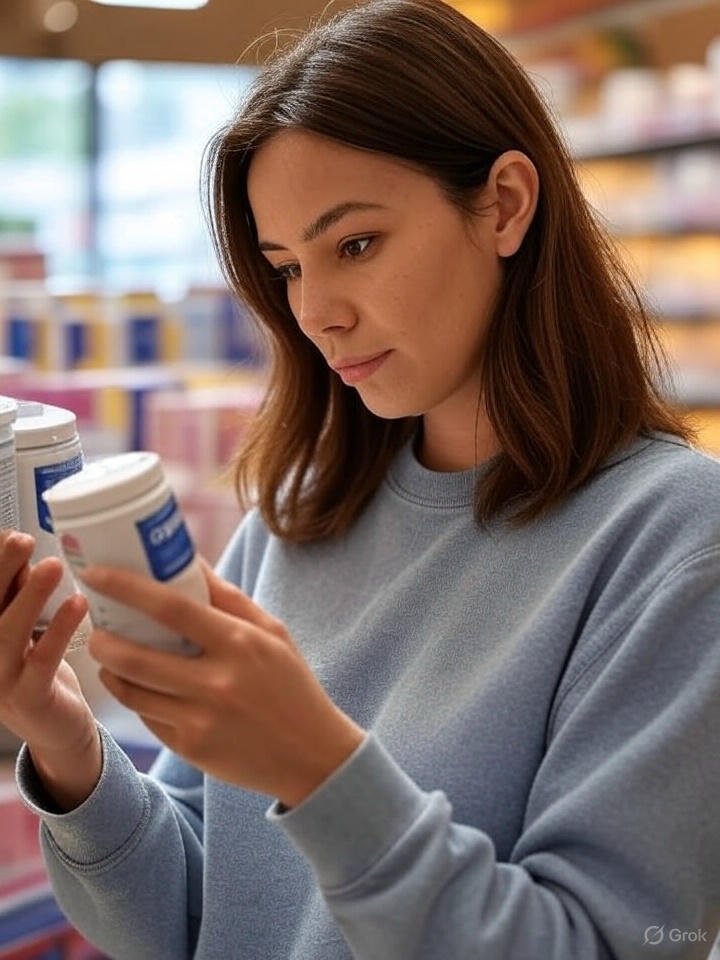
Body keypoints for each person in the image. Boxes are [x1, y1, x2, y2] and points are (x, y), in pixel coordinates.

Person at [1, 0, 719, 957]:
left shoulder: (671, 539)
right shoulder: (293, 519)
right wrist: (64, 744)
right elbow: (186, 921)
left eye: (357, 245)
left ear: (504, 204)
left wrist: (318, 764)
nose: (318, 313)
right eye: (288, 266)